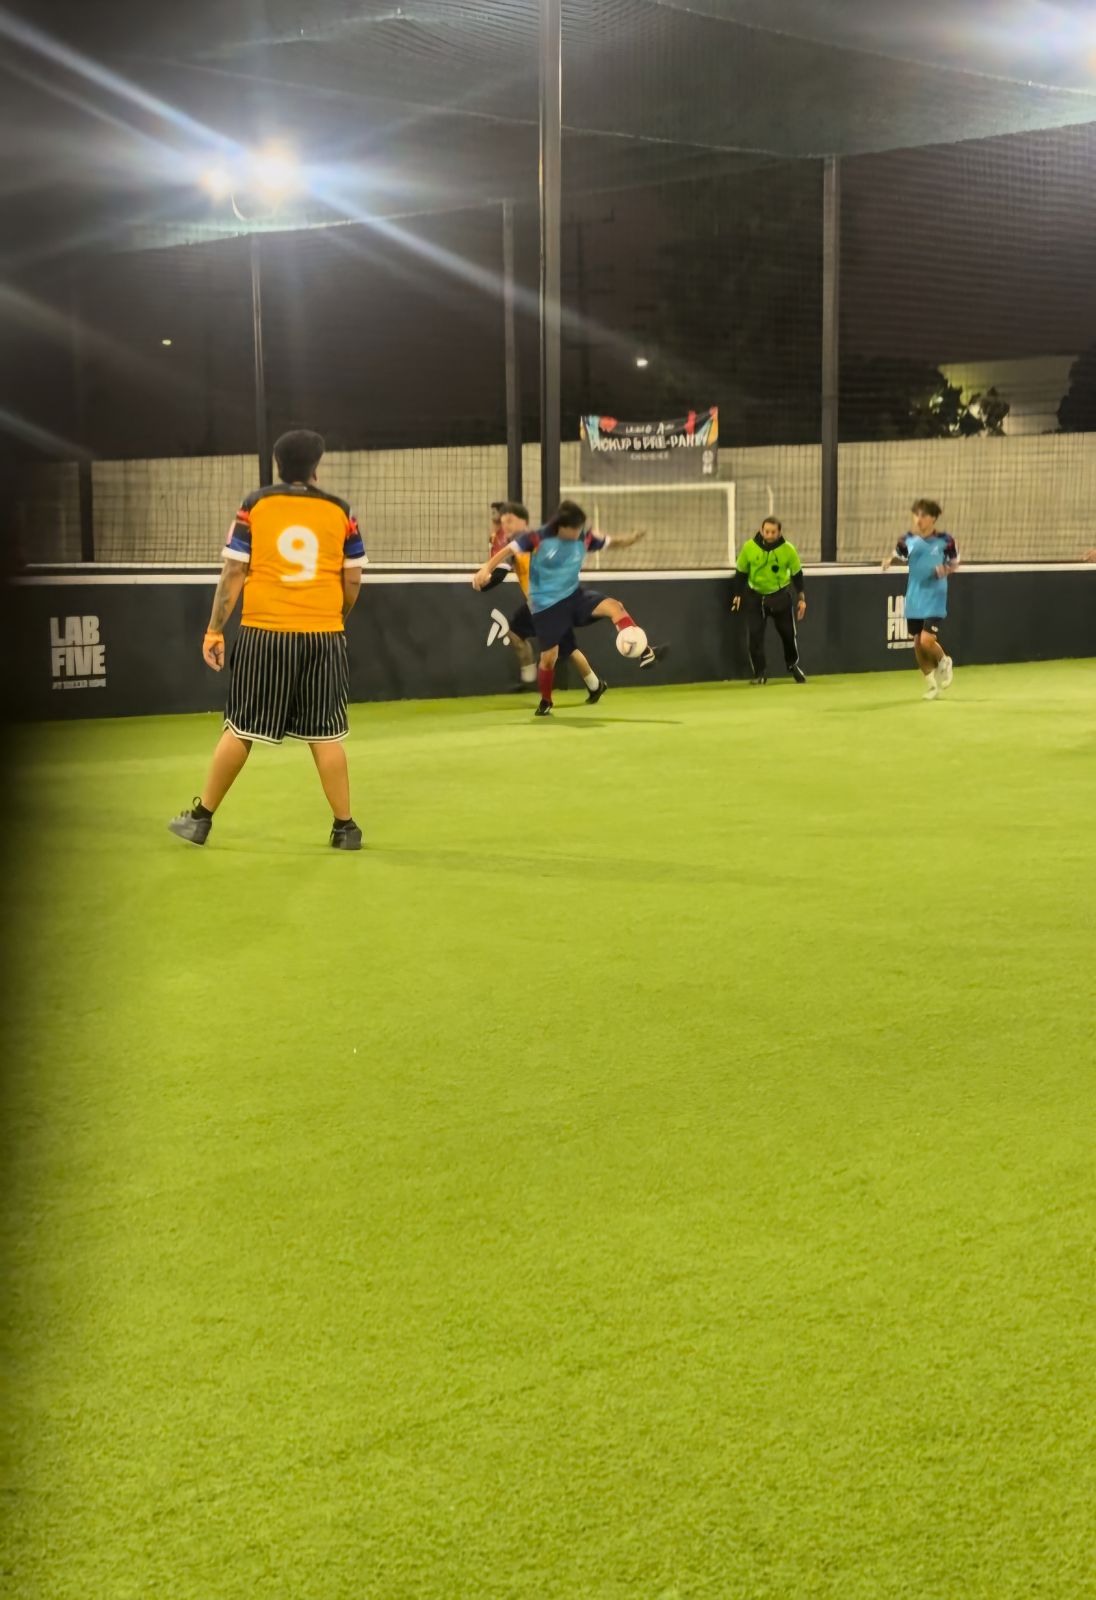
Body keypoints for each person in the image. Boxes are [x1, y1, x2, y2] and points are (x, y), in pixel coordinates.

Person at [168, 428, 367, 848]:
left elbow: (235, 571)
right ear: (316, 466)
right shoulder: (341, 510)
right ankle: (345, 828)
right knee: (326, 733)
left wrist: (214, 629)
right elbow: (352, 580)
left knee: (240, 727)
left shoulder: (256, 504)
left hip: (266, 633)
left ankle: (201, 819)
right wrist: (335, 617)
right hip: (324, 636)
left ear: (278, 465)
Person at [471, 499, 667, 716]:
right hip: (545, 607)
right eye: (574, 529)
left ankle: (644, 652)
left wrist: (630, 539)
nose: (578, 534)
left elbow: (611, 543)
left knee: (615, 607)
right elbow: (507, 551)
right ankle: (547, 700)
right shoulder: (537, 537)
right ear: (561, 527)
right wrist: (485, 569)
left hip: (573, 596)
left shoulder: (583, 536)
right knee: (551, 655)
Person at [491, 501, 606, 701]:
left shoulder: (531, 542)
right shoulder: (523, 542)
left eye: (509, 520)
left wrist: (487, 572)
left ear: (524, 522)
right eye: (503, 522)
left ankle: (594, 685)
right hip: (539, 604)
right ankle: (592, 685)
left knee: (567, 648)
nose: (505, 525)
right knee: (524, 634)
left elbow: (503, 566)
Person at [881, 498, 960, 701]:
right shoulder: (908, 540)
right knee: (917, 642)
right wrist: (889, 560)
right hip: (914, 598)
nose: (919, 519)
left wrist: (944, 569)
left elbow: (954, 563)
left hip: (935, 597)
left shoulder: (946, 540)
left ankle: (944, 660)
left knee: (926, 640)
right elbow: (898, 554)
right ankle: (932, 685)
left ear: (933, 518)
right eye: (916, 514)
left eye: (923, 515)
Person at [731, 516, 807, 684]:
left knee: (788, 634)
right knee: (755, 637)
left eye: (773, 532)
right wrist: (737, 594)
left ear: (779, 533)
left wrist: (801, 598)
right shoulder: (749, 548)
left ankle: (793, 666)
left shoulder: (788, 550)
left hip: (779, 597)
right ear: (761, 530)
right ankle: (760, 674)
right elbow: (741, 572)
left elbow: (797, 575)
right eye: (767, 531)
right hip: (755, 597)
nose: (769, 535)